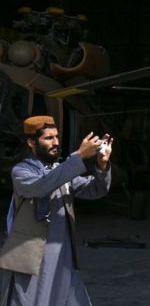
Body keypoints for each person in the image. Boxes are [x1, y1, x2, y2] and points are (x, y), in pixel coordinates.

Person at [0, 115, 113, 306]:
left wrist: (102, 165)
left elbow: (95, 190)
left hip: (63, 256)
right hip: (33, 259)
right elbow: (41, 187)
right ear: (31, 142)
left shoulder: (61, 170)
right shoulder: (21, 172)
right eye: (48, 138)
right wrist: (78, 157)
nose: (56, 142)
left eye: (57, 137)